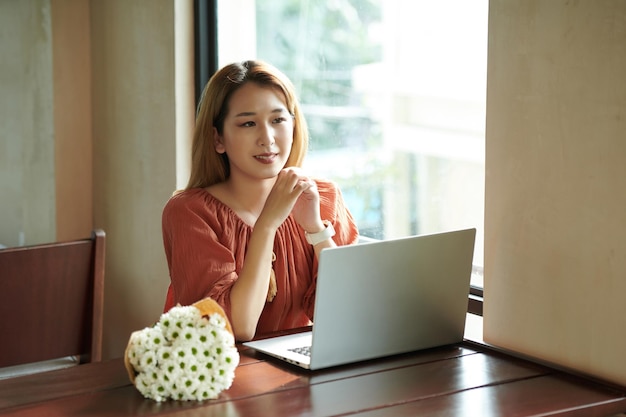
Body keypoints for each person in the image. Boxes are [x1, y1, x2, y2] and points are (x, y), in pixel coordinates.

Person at [162, 60, 359, 341]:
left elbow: (348, 314)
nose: (267, 139)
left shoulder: (324, 198)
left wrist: (316, 229)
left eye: (278, 120)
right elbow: (234, 328)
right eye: (248, 123)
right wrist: (267, 225)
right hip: (229, 377)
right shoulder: (189, 212)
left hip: (306, 369)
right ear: (218, 138)